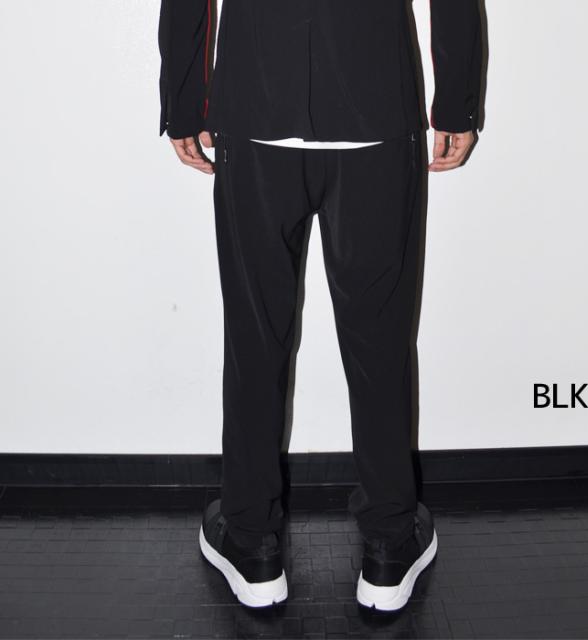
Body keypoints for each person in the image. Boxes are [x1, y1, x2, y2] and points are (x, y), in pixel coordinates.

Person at [158, 0, 482, 611]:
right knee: (380, 337)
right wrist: (457, 101)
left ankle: (250, 539)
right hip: (375, 111)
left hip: (256, 111)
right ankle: (390, 541)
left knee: (255, 334)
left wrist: (183, 101)